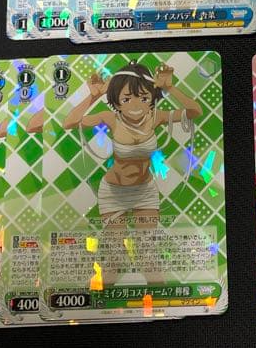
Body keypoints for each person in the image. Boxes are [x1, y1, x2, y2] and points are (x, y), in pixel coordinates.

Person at [63, 61, 202, 286]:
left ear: (152, 98)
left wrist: (169, 88)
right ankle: (103, 304)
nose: (136, 105)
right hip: (113, 192)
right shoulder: (111, 118)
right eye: (127, 99)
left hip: (144, 192)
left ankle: (161, 302)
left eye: (144, 98)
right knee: (115, 260)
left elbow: (195, 111)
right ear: (116, 100)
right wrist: (94, 96)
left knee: (148, 257)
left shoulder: (155, 117)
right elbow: (69, 122)